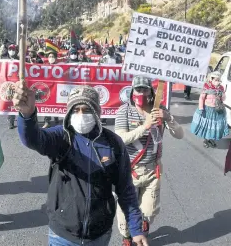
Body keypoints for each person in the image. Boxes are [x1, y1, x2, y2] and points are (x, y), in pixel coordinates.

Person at [13, 83, 148, 246]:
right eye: (75, 110)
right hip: (62, 235)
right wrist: (27, 115)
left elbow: (125, 188)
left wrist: (135, 229)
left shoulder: (113, 143)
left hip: (99, 234)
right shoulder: (61, 137)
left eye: (87, 110)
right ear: (69, 113)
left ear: (97, 112)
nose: (81, 114)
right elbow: (33, 139)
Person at [115, 76, 184, 246]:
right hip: (129, 170)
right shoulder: (124, 111)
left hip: (153, 169)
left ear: (151, 92)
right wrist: (144, 126)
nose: (141, 93)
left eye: (145, 89)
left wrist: (168, 118)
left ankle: (141, 231)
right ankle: (127, 237)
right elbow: (120, 140)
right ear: (132, 92)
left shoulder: (159, 110)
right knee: (126, 210)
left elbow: (179, 134)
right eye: (138, 90)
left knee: (150, 210)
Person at [191, 71, 229, 148]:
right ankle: (206, 140)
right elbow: (201, 98)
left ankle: (211, 139)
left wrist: (222, 94)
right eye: (216, 80)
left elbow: (224, 99)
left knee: (214, 126)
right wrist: (201, 108)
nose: (217, 82)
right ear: (211, 79)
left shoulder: (221, 88)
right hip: (208, 110)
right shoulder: (206, 87)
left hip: (217, 110)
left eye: (218, 80)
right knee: (207, 125)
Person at [42, 48, 60, 128]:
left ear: (56, 58)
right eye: (50, 56)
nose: (51, 58)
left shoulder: (60, 67)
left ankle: (56, 117)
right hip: (48, 89)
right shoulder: (45, 67)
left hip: (56, 89)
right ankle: (47, 121)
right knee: (47, 104)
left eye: (53, 56)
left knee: (55, 104)